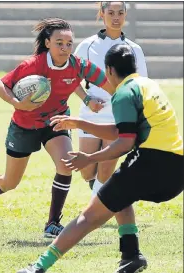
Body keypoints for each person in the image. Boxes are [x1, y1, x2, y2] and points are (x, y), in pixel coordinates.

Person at [16, 44, 183, 273]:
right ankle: (131, 255)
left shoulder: (124, 93)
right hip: (176, 168)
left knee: (88, 217)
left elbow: (124, 143)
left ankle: (38, 267)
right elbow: (121, 131)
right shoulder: (147, 85)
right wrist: (80, 123)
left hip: (150, 163)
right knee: (121, 192)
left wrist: (89, 158)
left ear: (109, 70)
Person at [0, 18, 112, 238]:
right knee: (11, 182)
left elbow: (106, 82)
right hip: (24, 126)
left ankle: (52, 224)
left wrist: (126, 100)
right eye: (59, 43)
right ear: (47, 43)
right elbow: (0, 85)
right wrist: (18, 103)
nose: (65, 48)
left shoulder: (77, 64)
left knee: (67, 164)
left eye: (69, 44)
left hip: (55, 121)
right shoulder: (33, 65)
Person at [74, 1, 148, 195]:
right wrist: (86, 99)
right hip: (90, 115)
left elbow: (142, 85)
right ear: (102, 13)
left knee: (106, 171)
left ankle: (94, 212)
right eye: (111, 12)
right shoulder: (87, 46)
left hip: (119, 117)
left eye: (121, 13)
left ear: (125, 15)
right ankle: (97, 190)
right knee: (87, 171)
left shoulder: (134, 49)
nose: (116, 17)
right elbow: (71, 77)